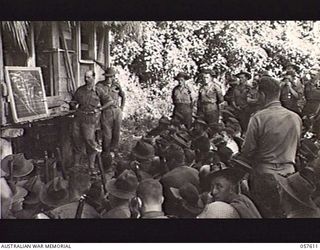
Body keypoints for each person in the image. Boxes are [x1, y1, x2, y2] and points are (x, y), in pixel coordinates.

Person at [241, 76, 302, 217]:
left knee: (265, 215)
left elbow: (247, 150)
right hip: (289, 175)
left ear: (262, 95)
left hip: (264, 174)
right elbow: (296, 146)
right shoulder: (295, 117)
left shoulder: (258, 117)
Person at [70, 70, 102, 173]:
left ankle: (91, 166)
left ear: (93, 77)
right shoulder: (80, 90)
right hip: (79, 117)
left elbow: (109, 101)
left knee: (89, 141)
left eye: (88, 77)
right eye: (85, 77)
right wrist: (73, 104)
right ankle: (76, 165)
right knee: (76, 139)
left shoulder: (98, 90)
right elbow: (74, 101)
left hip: (90, 119)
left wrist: (99, 109)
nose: (86, 79)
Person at [96, 67, 126, 158]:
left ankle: (114, 151)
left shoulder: (116, 85)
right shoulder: (99, 85)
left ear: (114, 77)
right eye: (107, 77)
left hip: (117, 111)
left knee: (116, 133)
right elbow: (95, 97)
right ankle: (106, 154)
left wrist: (122, 108)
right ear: (105, 77)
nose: (109, 79)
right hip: (106, 111)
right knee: (107, 134)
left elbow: (123, 96)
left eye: (111, 77)